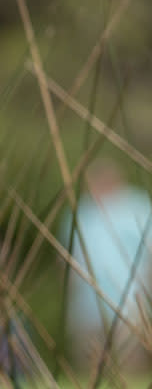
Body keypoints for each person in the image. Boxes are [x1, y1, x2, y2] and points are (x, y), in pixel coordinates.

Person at [60, 158, 152, 371]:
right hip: (87, 304)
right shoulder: (80, 212)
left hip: (129, 301)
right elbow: (68, 258)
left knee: (130, 363)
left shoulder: (137, 207)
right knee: (89, 364)